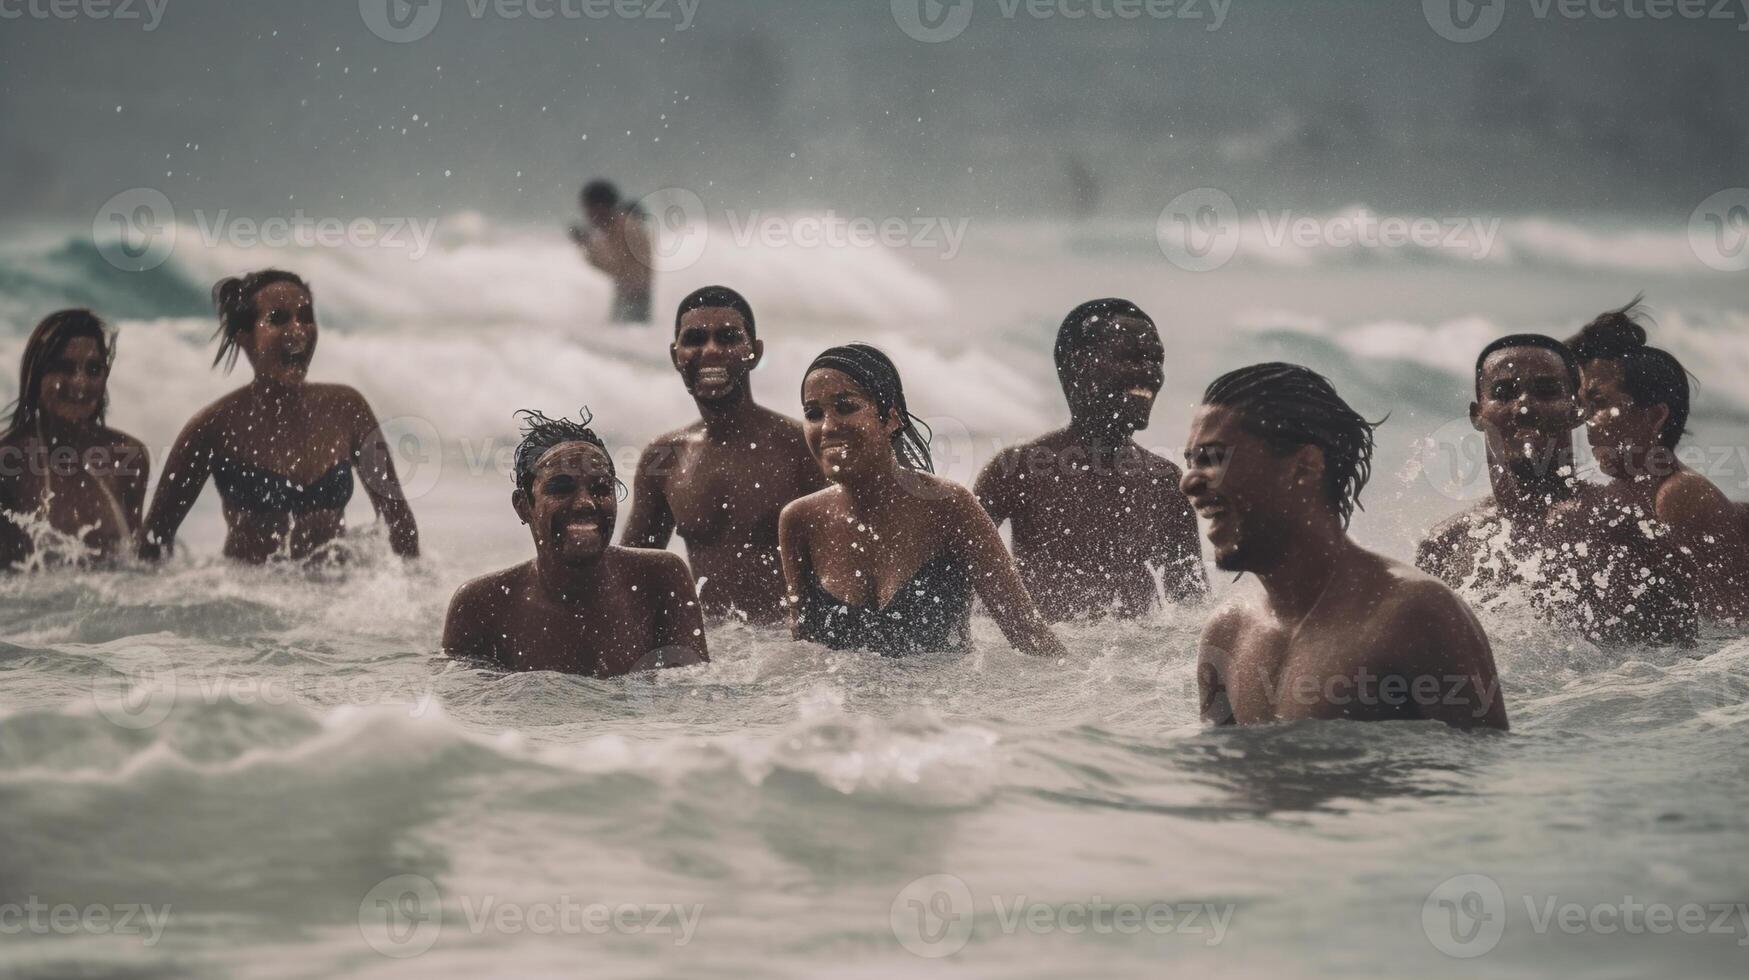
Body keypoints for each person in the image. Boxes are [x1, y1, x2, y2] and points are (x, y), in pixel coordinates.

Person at [1184, 363, 1508, 730]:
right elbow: (1218, 777)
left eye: (1213, 459)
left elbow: (1482, 774)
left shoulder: (1414, 614)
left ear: (1305, 466)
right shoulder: (1226, 633)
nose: (1188, 482)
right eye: (1191, 461)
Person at [778, 344, 1067, 658]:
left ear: (890, 419)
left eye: (846, 407)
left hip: (946, 704)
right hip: (840, 708)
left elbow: (1035, 643)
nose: (828, 426)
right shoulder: (799, 521)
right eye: (813, 414)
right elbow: (804, 658)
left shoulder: (950, 507)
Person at [1416, 334, 1695, 644]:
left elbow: (1687, 660)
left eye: (1546, 391)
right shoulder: (1445, 547)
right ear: (1477, 415)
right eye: (1504, 392)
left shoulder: (1624, 527)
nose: (1524, 405)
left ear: (1578, 411)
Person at [141, 270, 419, 564]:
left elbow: (399, 525)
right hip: (249, 596)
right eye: (278, 318)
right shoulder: (213, 427)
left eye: (305, 316)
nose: (298, 330)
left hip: (337, 599)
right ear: (244, 337)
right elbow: (154, 539)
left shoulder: (347, 409)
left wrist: (406, 600)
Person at [975, 299, 1205, 620]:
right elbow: (958, 585)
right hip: (1041, 663)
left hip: (1130, 666)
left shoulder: (1165, 481)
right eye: (1132, 358)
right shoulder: (1017, 471)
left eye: (1156, 360)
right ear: (1078, 366)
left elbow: (1193, 610)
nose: (1151, 373)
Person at [442, 410, 708, 676]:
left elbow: (692, 700)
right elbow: (460, 707)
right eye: (561, 489)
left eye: (601, 489)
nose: (585, 503)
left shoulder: (659, 580)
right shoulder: (482, 606)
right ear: (523, 506)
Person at [621, 286, 827, 624]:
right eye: (696, 339)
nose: (712, 350)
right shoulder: (664, 458)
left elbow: (851, 556)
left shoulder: (802, 447)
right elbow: (631, 576)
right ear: (676, 355)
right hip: (712, 655)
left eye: (728, 338)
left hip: (794, 653)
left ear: (754, 352)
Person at [1567, 297, 1749, 620]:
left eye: (1599, 404)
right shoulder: (1622, 497)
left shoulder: (1682, 496)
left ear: (1655, 417)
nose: (1587, 421)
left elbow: (1733, 631)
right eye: (1584, 406)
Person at [0, 310, 149, 568]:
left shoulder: (127, 457)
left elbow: (139, 566)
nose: (80, 382)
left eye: (93, 370)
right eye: (64, 368)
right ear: (36, 377)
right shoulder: (8, 463)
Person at [569, 180, 654, 324]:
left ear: (601, 207)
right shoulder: (617, 227)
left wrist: (588, 244)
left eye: (588, 209)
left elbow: (617, 267)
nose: (587, 216)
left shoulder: (626, 228)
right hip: (629, 297)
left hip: (634, 298)